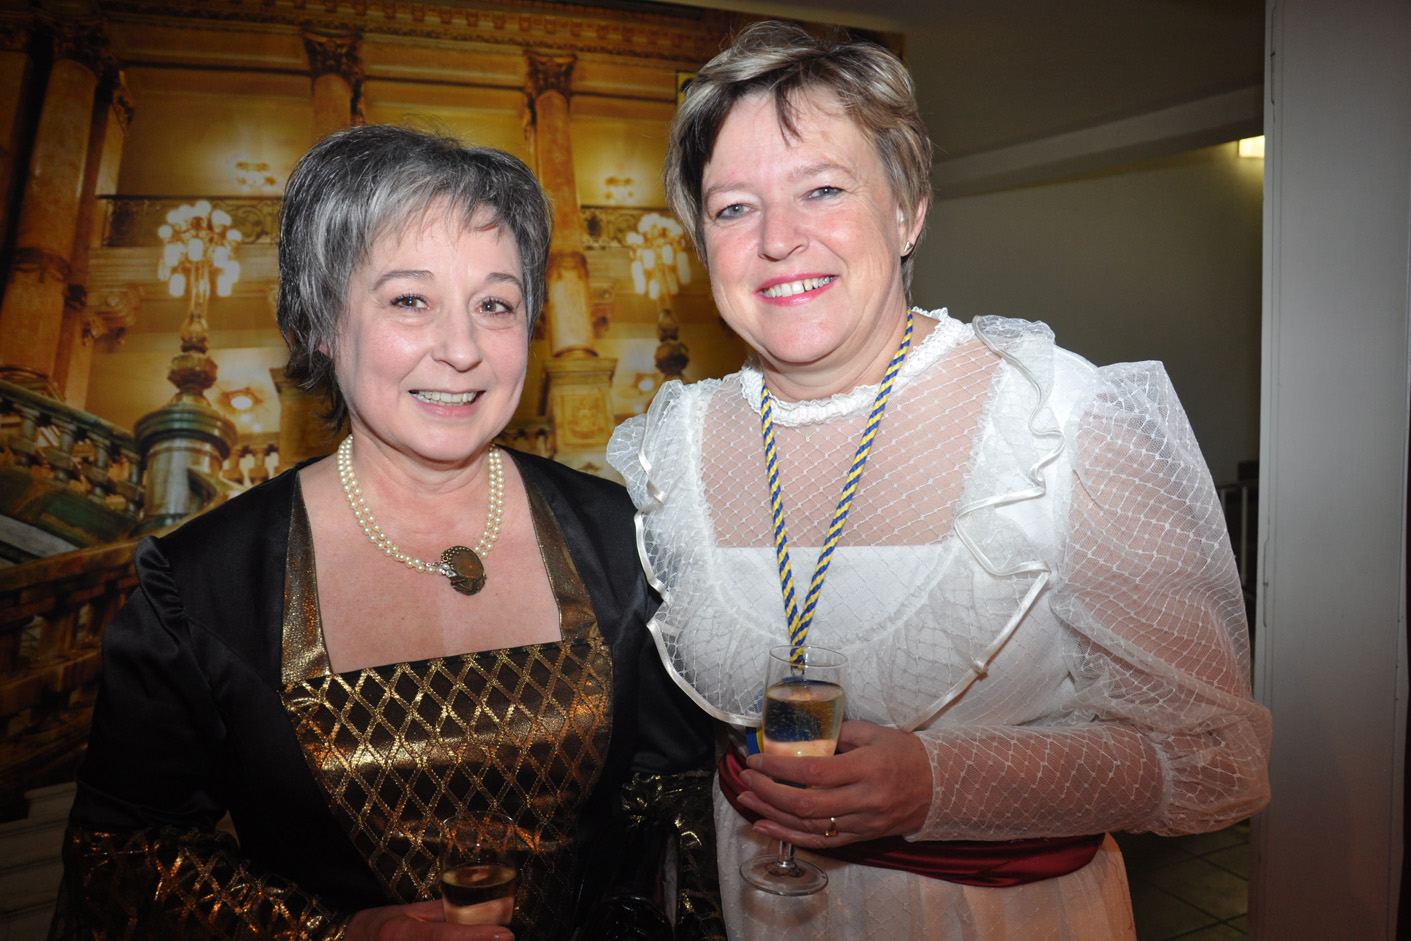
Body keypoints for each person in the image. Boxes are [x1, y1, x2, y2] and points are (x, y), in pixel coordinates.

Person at [607, 21, 1271, 940]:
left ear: (907, 211)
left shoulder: (1057, 418)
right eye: (732, 208)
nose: (777, 240)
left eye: (822, 189)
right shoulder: (673, 446)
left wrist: (939, 782)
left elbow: (1212, 763)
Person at [51, 125, 723, 941]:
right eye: (410, 300)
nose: (462, 349)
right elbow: (121, 855)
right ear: (323, 321)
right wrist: (334, 934)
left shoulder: (625, 541)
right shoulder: (203, 588)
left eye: (495, 304)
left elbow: (676, 800)